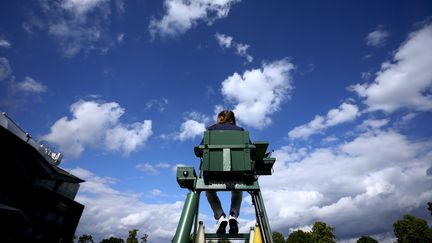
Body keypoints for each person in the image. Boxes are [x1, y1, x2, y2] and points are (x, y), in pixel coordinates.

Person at [204, 110, 244, 234]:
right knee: (238, 189)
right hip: (237, 173)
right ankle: (233, 214)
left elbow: (200, 150)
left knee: (209, 192)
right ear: (232, 119)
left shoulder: (210, 130)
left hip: (212, 174)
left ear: (221, 117)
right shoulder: (240, 131)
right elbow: (251, 149)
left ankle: (220, 216)